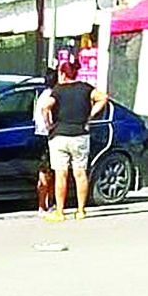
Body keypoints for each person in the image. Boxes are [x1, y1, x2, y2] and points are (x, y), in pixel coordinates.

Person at [41, 60, 109, 222]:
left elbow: (46, 107)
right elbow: (103, 98)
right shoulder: (85, 88)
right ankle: (80, 210)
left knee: (61, 174)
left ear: (62, 74)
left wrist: (49, 124)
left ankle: (60, 211)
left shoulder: (58, 90)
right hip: (80, 134)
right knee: (80, 173)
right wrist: (90, 115)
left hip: (59, 136)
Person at [34, 67, 57, 215]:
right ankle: (44, 204)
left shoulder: (42, 94)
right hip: (47, 136)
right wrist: (51, 125)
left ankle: (47, 203)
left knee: (46, 172)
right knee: (47, 172)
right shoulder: (51, 96)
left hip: (40, 135)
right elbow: (45, 112)